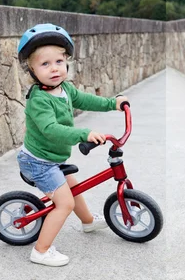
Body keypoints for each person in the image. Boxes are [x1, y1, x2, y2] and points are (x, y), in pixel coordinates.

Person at [16, 23, 129, 267]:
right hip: (37, 162)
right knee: (64, 203)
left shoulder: (65, 88)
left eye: (58, 61)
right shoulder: (39, 100)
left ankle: (88, 222)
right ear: (32, 70)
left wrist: (113, 103)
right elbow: (52, 130)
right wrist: (84, 134)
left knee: (74, 187)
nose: (54, 69)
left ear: (66, 61)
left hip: (51, 159)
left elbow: (86, 100)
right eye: (45, 64)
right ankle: (41, 250)